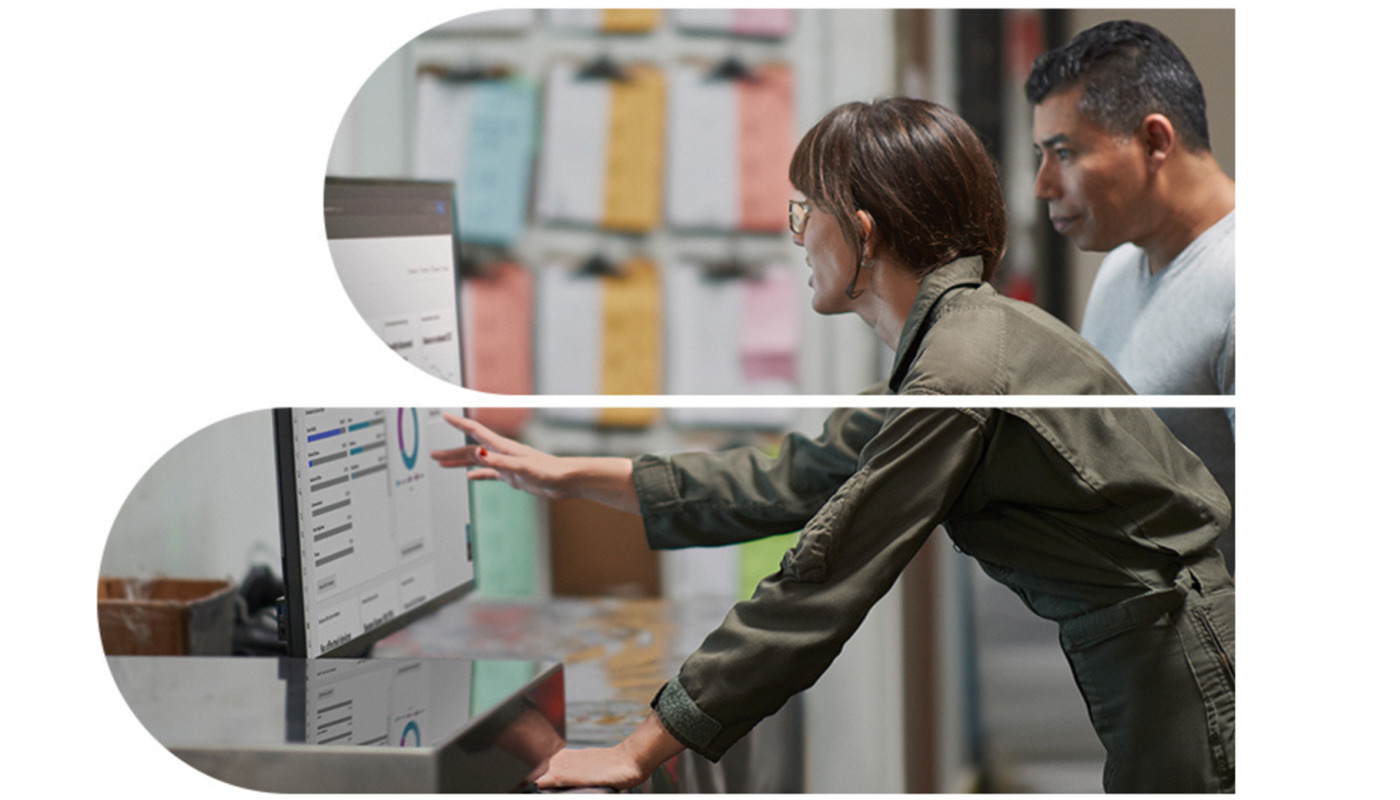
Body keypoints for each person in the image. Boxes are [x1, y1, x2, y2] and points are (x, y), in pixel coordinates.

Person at [433, 98, 1235, 792]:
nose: (796, 238)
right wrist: (569, 474)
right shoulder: (958, 343)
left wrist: (640, 746)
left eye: (802, 213)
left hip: (1180, 657)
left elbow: (828, 575)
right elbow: (790, 477)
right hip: (1156, 649)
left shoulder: (954, 377)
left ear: (861, 231)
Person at [1026, 20, 1236, 573]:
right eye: (1041, 155)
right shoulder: (1120, 267)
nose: (1043, 186)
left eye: (1064, 153)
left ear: (1154, 141)